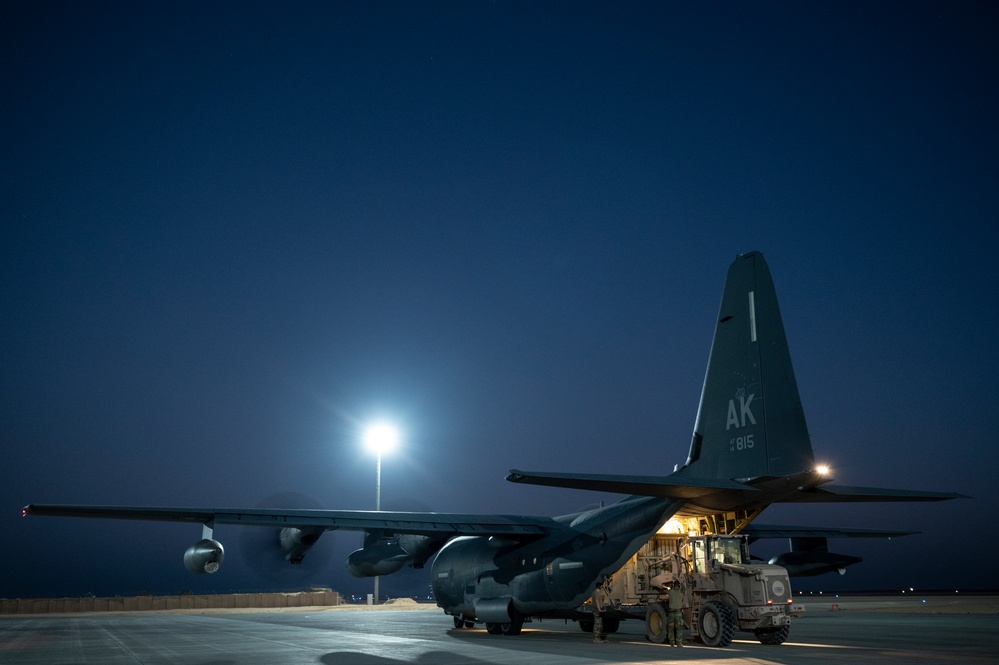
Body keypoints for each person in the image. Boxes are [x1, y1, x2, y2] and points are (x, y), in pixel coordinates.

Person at [666, 578, 686, 647]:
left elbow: (668, 589)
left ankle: (671, 642)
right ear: (679, 586)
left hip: (671, 613)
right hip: (678, 613)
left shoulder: (670, 592)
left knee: (670, 628)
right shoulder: (681, 593)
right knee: (679, 628)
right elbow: (684, 589)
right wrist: (682, 582)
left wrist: (671, 585)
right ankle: (679, 643)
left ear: (674, 586)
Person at [591, 578, 609, 643]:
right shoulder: (596, 593)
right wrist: (599, 609)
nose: (602, 587)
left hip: (599, 610)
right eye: (601, 586)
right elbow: (597, 601)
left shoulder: (597, 593)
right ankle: (596, 639)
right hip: (597, 610)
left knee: (600, 625)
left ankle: (598, 638)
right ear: (599, 586)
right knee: (597, 624)